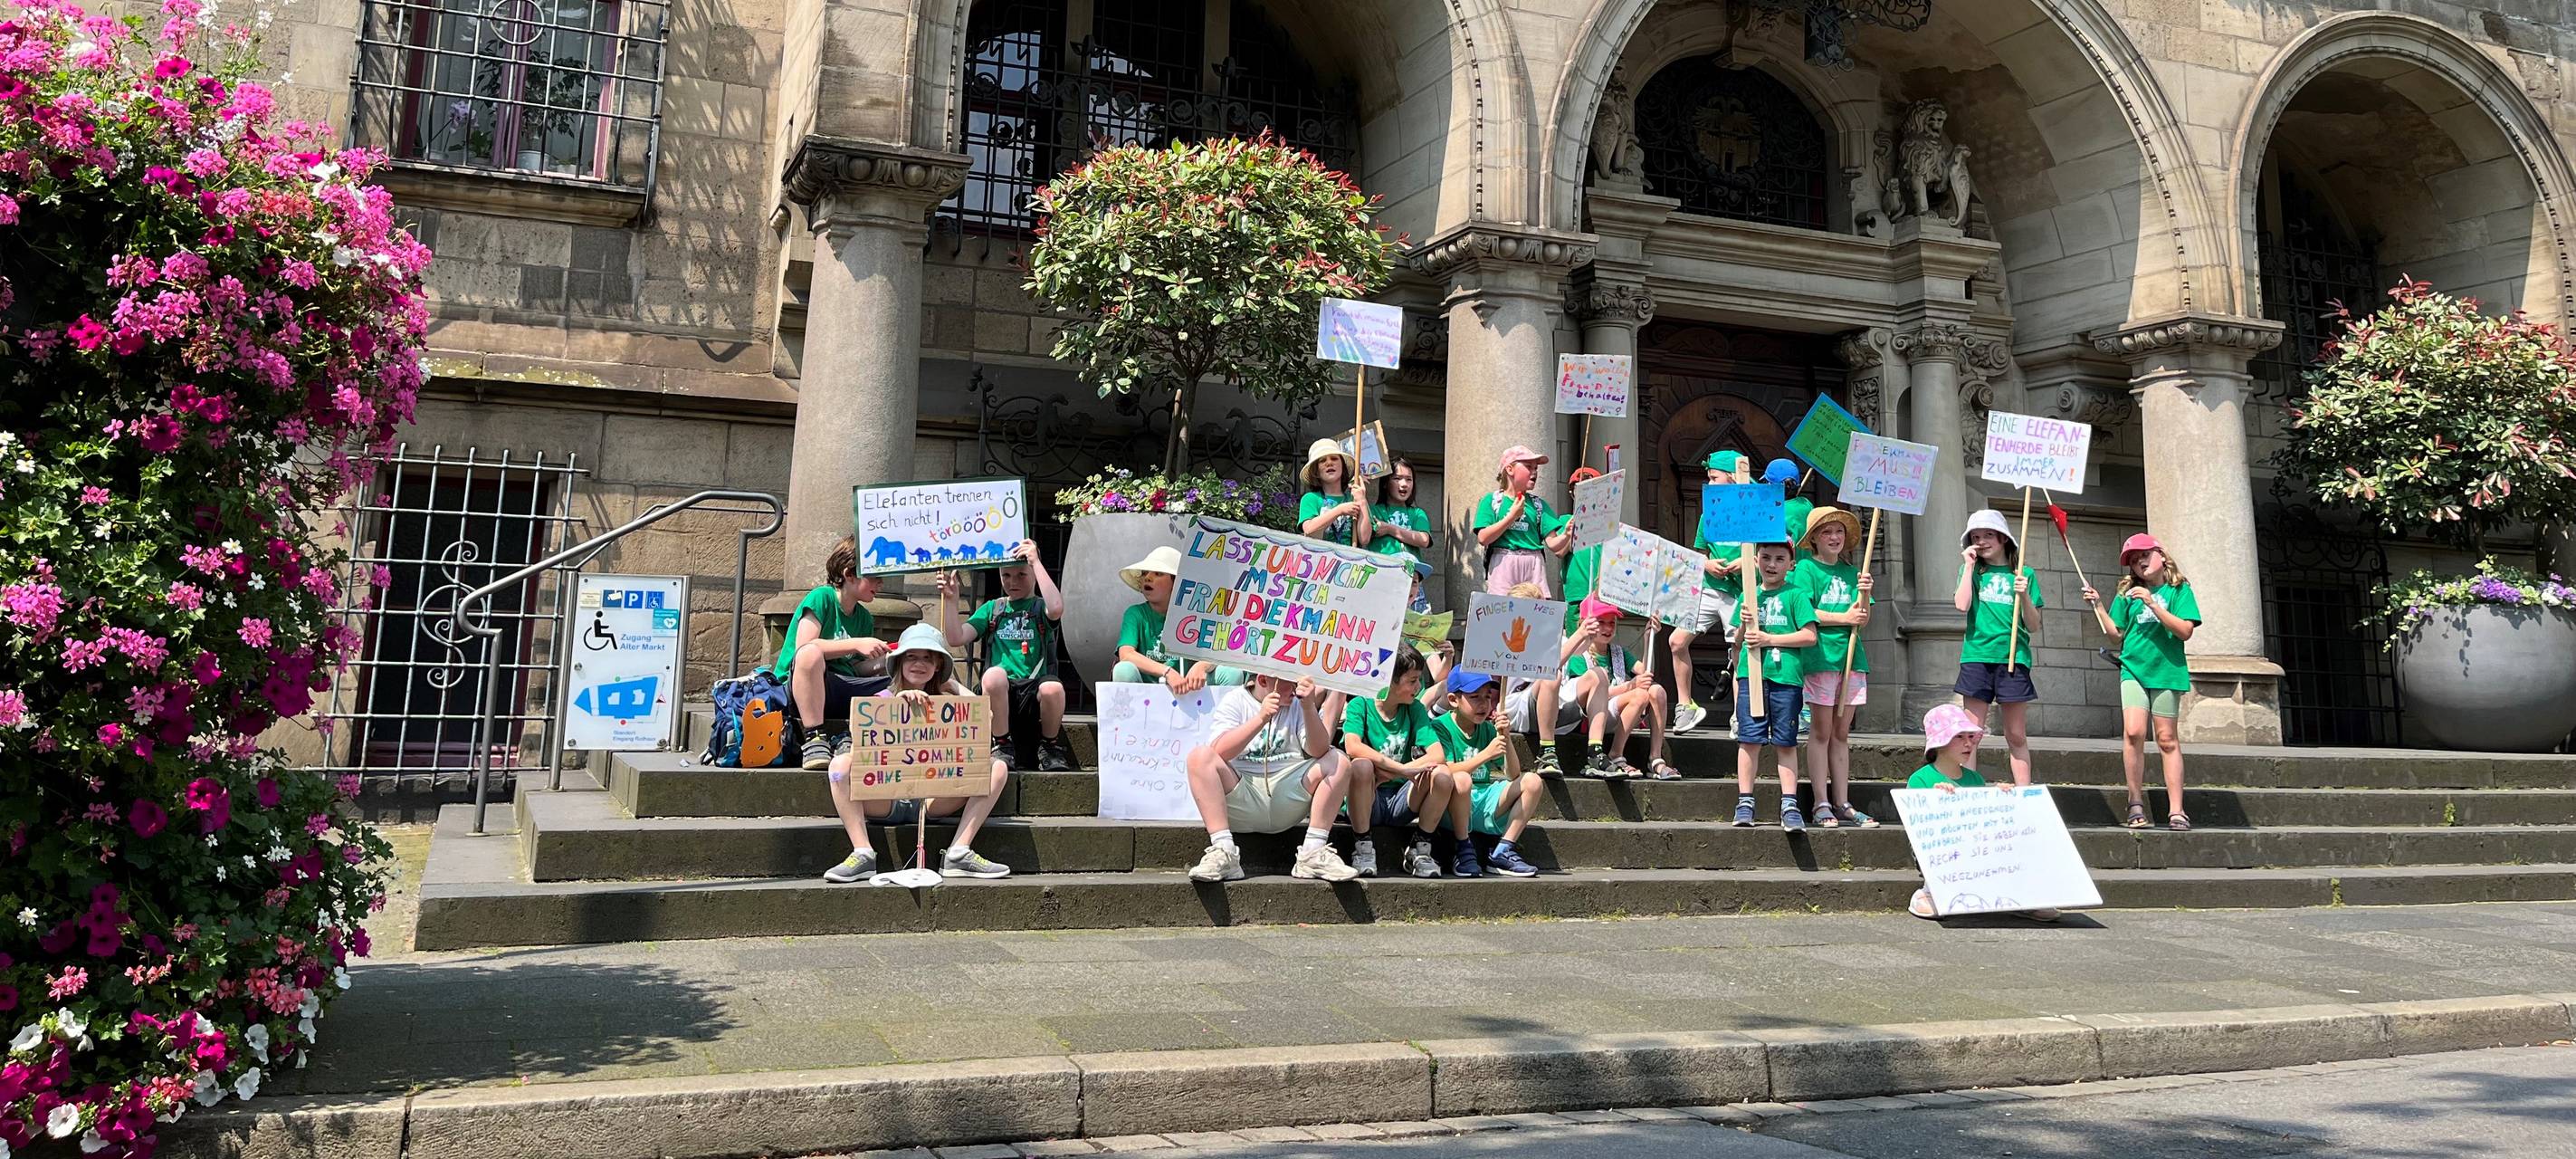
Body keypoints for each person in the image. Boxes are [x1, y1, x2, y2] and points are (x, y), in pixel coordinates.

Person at [820, 624, 1013, 883]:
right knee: (839, 767)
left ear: (937, 666)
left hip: (933, 798)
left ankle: (959, 852)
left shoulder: (948, 701)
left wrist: (953, 685)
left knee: (997, 767)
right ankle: (862, 853)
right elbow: (861, 745)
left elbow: (984, 718)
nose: (919, 663)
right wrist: (898, 702)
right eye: (911, 656)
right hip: (886, 797)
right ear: (899, 662)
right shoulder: (880, 699)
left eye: (927, 658)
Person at [1183, 673, 1362, 883]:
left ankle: (1313, 851)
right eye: (1290, 683)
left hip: (1289, 793)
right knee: (1199, 757)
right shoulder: (1235, 699)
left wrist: (1308, 708)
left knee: (1338, 760)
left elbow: (1319, 750)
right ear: (1263, 681)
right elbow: (1220, 750)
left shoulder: (1298, 704)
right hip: (1243, 793)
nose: (1296, 688)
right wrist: (1261, 718)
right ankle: (1224, 851)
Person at [2083, 534, 2202, 832]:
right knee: (2134, 732)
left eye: (2144, 555)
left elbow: (2185, 631)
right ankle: (2134, 801)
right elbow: (2116, 634)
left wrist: (2152, 604)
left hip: (2167, 670)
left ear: (2161, 554)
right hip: (2133, 668)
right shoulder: (2127, 593)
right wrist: (2098, 606)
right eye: (2134, 560)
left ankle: (2177, 809)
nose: (2140, 562)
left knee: (2166, 738)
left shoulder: (2179, 590)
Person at [1906, 704, 2058, 922]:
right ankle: (1928, 892)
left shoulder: (1975, 779)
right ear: (1939, 743)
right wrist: (1937, 801)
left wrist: (2000, 800)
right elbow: (1917, 824)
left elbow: (1981, 819)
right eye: (1959, 737)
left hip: (1975, 848)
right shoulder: (1920, 779)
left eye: (1971, 737)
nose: (1968, 743)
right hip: (1940, 850)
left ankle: (2021, 895)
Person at [939, 541, 1071, 772]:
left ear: (1034, 573)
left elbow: (1056, 608)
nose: (1013, 582)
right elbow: (956, 638)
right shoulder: (993, 608)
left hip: (1033, 692)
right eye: (1006, 575)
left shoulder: (1040, 607)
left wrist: (1035, 562)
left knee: (1054, 688)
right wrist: (951, 601)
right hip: (1000, 692)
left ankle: (1050, 746)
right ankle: (1001, 743)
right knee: (993, 676)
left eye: (1021, 575)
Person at [777, 535, 892, 771]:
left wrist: (886, 662)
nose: (881, 584)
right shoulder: (822, 598)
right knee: (810, 654)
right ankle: (814, 737)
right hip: (801, 688)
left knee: (905, 675)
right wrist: (856, 643)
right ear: (849, 574)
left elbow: (855, 668)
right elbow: (804, 647)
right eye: (874, 577)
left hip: (839, 688)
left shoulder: (864, 618)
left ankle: (851, 736)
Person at [1793, 507, 1877, 828]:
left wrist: (1865, 593)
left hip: (1852, 659)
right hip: (1821, 658)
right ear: (1814, 538)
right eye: (1826, 531)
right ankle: (1821, 802)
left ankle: (1843, 802)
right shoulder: (1806, 569)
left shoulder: (1853, 572)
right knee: (1821, 731)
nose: (1834, 537)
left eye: (1839, 531)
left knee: (1842, 733)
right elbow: (1805, 611)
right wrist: (1844, 617)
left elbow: (1862, 619)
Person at [1340, 648, 1457, 878]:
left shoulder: (1414, 709)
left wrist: (1396, 774)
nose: (1418, 687)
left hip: (1402, 799)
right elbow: (1352, 747)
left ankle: (1419, 848)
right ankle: (1363, 847)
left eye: (1419, 680)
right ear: (1389, 680)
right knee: (1361, 766)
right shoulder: (1360, 705)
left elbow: (1437, 755)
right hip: (1369, 797)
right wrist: (1402, 769)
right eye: (1412, 681)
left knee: (1442, 774)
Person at [1953, 508, 2042, 786]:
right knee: (1971, 732)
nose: (1981, 541)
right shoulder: (1972, 571)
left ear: (2003, 538)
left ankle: (2024, 793)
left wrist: (2024, 595)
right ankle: (1968, 790)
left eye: (1988, 535)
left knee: (2015, 734)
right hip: (1977, 655)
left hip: (2013, 658)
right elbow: (1961, 605)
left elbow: (2034, 624)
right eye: (1976, 537)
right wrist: (1968, 567)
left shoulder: (2025, 573)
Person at [1733, 541, 1818, 830]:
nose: (1772, 564)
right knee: (1749, 739)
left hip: (1786, 678)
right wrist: (1744, 625)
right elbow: (1737, 641)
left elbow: (1809, 636)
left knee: (1786, 741)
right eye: (1766, 557)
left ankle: (1789, 804)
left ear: (1790, 564)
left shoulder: (1796, 594)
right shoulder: (1748, 595)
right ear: (1756, 560)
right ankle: (1745, 801)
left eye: (1780, 559)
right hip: (1752, 675)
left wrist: (1770, 639)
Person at [1668, 451, 1751, 733]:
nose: (1709, 483)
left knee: (1739, 649)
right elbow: (1700, 554)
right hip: (1710, 588)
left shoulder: (1754, 509)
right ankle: (1686, 706)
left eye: (1714, 478)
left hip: (1740, 592)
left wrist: (1747, 563)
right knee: (1677, 641)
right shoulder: (1709, 513)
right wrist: (1707, 564)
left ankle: (1740, 716)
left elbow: (1769, 554)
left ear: (1732, 477)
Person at [1432, 672, 1543, 877]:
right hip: (1453, 803)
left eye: (1487, 696)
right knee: (1462, 780)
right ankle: (1463, 850)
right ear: (1454, 700)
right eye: (1475, 697)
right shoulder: (1440, 727)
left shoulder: (1487, 729)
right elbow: (1446, 770)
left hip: (1483, 800)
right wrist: (1485, 755)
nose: (1484, 704)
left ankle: (1503, 850)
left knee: (1532, 781)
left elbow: (1513, 774)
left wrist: (1506, 737)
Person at [1111, 546, 1248, 690]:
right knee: (1123, 670)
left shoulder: (1196, 615)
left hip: (1189, 690)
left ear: (1176, 582)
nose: (1148, 578)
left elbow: (1223, 651)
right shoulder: (1135, 614)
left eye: (1158, 573)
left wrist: (1202, 666)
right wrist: (1167, 672)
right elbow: (1126, 654)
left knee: (1231, 672)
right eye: (1145, 573)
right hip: (1145, 692)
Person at [1570, 598, 1678, 781]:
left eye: (1612, 623)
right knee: (1639, 695)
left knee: (1657, 691)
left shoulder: (1618, 652)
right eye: (1601, 622)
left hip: (1618, 710)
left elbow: (1645, 672)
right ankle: (1616, 754)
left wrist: (1648, 639)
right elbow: (1585, 697)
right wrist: (1630, 686)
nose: (1608, 628)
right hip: (1592, 716)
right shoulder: (1578, 655)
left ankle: (1655, 758)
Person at [1499, 580, 1584, 776]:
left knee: (1597, 677)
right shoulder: (1514, 635)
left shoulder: (1551, 635)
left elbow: (1581, 648)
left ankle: (1596, 752)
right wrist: (1580, 635)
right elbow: (1548, 667)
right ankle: (1547, 750)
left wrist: (1587, 626)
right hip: (1519, 707)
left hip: (1555, 707)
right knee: (1552, 676)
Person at [1472, 445, 1571, 597]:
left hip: (1533, 562)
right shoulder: (1492, 500)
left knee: (1536, 606)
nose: (1534, 472)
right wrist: (1511, 516)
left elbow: (1553, 544)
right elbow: (1483, 538)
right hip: (1503, 560)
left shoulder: (1538, 505)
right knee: (1502, 607)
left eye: (1536, 468)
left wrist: (1567, 534)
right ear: (1510, 469)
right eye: (1528, 466)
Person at [1298, 437, 1374, 549]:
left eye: (1334, 458)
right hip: (1320, 557)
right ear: (1316, 471)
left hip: (1349, 558)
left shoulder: (1354, 498)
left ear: (1342, 466)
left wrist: (1362, 501)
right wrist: (1339, 510)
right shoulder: (1311, 498)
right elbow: (1310, 531)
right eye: (1322, 461)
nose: (1329, 463)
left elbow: (1365, 539)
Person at [1560, 467, 1606, 636]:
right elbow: (1560, 552)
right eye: (1579, 489)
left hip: (1601, 595)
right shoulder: (1565, 521)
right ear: (1572, 493)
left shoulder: (1607, 525)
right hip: (1577, 595)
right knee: (1576, 644)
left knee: (1600, 642)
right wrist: (1569, 532)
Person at [1370, 457, 1434, 561]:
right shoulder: (1373, 511)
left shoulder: (1417, 513)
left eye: (1409, 479)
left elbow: (1424, 540)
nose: (1404, 484)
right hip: (1381, 569)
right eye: (1397, 478)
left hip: (1411, 569)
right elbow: (1363, 537)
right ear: (1385, 483)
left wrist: (1389, 529)